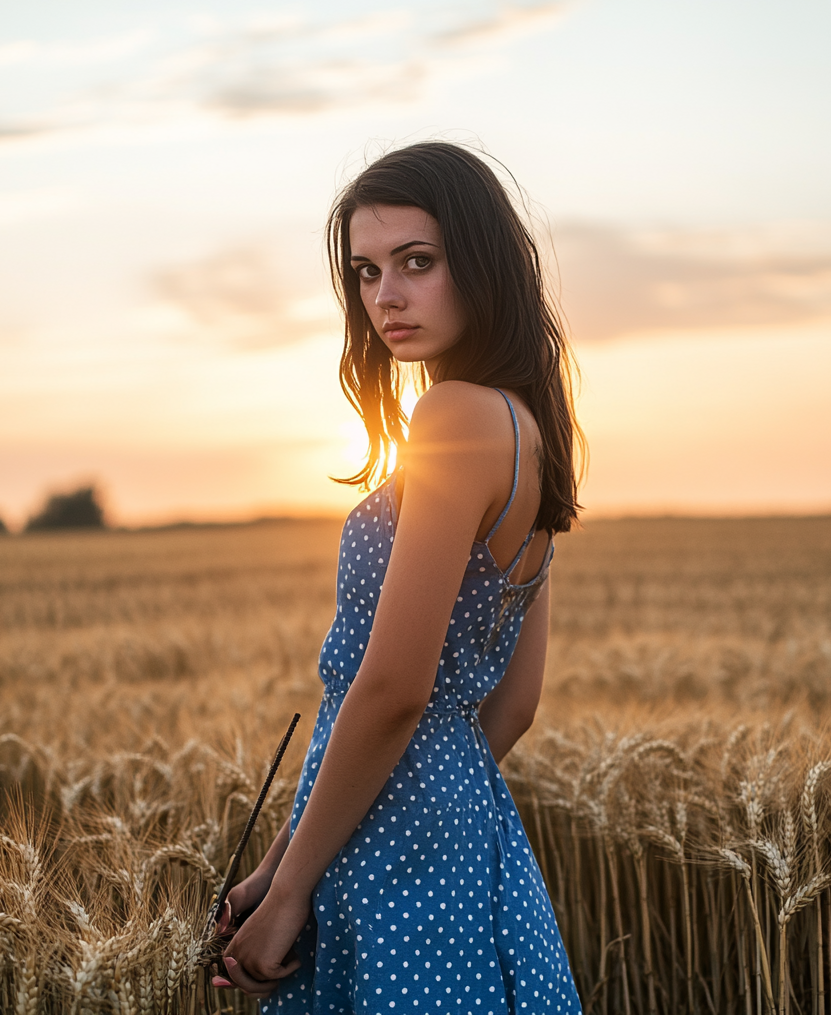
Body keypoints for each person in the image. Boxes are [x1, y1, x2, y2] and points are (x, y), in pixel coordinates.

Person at [213, 141, 584, 1015]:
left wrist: (297, 882)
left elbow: (389, 690)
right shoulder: (531, 430)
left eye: (418, 262)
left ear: (482, 262)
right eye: (368, 271)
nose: (387, 295)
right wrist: (277, 864)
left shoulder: (452, 415)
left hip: (389, 839)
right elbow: (513, 705)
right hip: (456, 826)